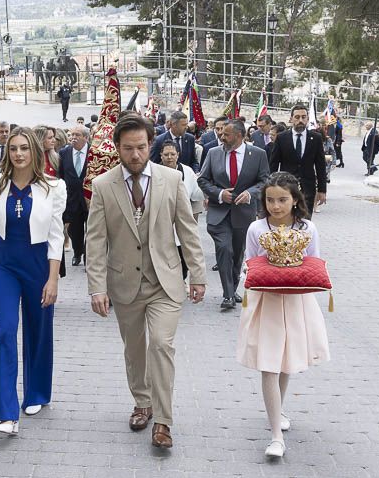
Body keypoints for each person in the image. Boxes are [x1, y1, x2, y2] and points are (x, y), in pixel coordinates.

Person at [85, 113, 207, 450]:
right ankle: (142, 401)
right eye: (128, 149)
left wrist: (197, 274)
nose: (135, 155)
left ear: (150, 145)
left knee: (161, 346)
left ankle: (164, 422)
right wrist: (97, 287)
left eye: (141, 147)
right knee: (135, 349)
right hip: (125, 284)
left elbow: (188, 230)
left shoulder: (171, 180)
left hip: (165, 282)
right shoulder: (102, 185)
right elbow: (95, 241)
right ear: (117, 149)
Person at [0, 128, 66, 435]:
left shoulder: (53, 188)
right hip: (4, 267)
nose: (19, 154)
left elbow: (55, 238)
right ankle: (6, 412)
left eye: (25, 148)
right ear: (6, 152)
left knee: (38, 332)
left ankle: (37, 393)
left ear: (35, 152)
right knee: (6, 331)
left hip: (38, 265)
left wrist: (53, 279)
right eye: (13, 148)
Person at [237, 171, 329, 460]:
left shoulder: (307, 229)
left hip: (297, 302)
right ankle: (276, 435)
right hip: (266, 303)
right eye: (270, 200)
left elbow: (313, 261)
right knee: (269, 364)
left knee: (286, 361)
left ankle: (279, 409)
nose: (276, 206)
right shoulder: (256, 229)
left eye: (282, 200)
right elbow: (249, 263)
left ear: (294, 199)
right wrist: (251, 277)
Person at [198, 119, 271, 312]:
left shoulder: (257, 154)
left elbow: (265, 180)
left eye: (226, 134)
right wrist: (220, 194)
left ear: (239, 136)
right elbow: (203, 179)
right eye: (221, 133)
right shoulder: (213, 153)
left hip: (244, 214)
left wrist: (251, 193)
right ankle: (228, 294)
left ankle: (232, 288)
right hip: (218, 213)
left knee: (238, 254)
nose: (221, 137)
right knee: (225, 249)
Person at [267, 105, 328, 219]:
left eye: (303, 117)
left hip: (308, 189)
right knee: (286, 220)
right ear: (291, 119)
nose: (300, 120)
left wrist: (322, 190)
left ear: (307, 119)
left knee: (305, 222)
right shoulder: (281, 138)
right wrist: (270, 187)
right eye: (297, 117)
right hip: (286, 188)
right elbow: (273, 165)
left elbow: (320, 166)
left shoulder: (316, 138)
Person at [159, 140, 205, 279]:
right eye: (166, 154)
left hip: (181, 219)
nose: (169, 157)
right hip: (161, 220)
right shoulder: (154, 171)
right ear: (161, 155)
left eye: (172, 154)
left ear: (178, 155)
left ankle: (182, 279)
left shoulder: (187, 171)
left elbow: (196, 195)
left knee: (183, 252)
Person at [59, 125, 90, 267]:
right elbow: (61, 176)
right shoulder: (64, 153)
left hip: (90, 199)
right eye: (72, 135)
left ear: (86, 137)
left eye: (77, 135)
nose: (73, 138)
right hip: (71, 200)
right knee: (74, 230)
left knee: (91, 230)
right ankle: (77, 253)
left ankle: (88, 257)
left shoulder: (94, 153)